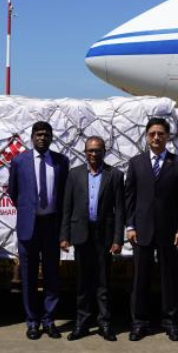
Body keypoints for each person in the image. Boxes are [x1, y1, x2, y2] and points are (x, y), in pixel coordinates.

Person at [125, 117, 178, 342]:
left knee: (169, 279)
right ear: (146, 136)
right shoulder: (136, 163)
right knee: (139, 280)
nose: (156, 137)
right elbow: (130, 198)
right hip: (141, 230)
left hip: (169, 232)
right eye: (152, 133)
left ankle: (170, 322)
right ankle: (139, 323)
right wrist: (130, 225)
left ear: (167, 137)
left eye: (160, 133)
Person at [8, 121, 70, 340]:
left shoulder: (61, 161)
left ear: (52, 137)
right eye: (38, 134)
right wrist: (28, 212)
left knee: (52, 275)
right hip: (29, 226)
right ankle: (32, 321)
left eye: (46, 134)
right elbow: (14, 193)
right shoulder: (19, 161)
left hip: (51, 226)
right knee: (29, 276)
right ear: (32, 137)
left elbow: (64, 195)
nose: (42, 138)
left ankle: (49, 319)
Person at [60, 136, 125, 341]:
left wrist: (118, 239)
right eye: (90, 151)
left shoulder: (114, 175)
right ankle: (82, 322)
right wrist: (64, 235)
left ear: (104, 151)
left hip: (103, 235)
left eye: (97, 150)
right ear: (85, 152)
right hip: (81, 234)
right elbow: (67, 207)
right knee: (83, 282)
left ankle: (104, 323)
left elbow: (120, 210)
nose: (93, 154)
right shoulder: (74, 174)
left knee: (103, 282)